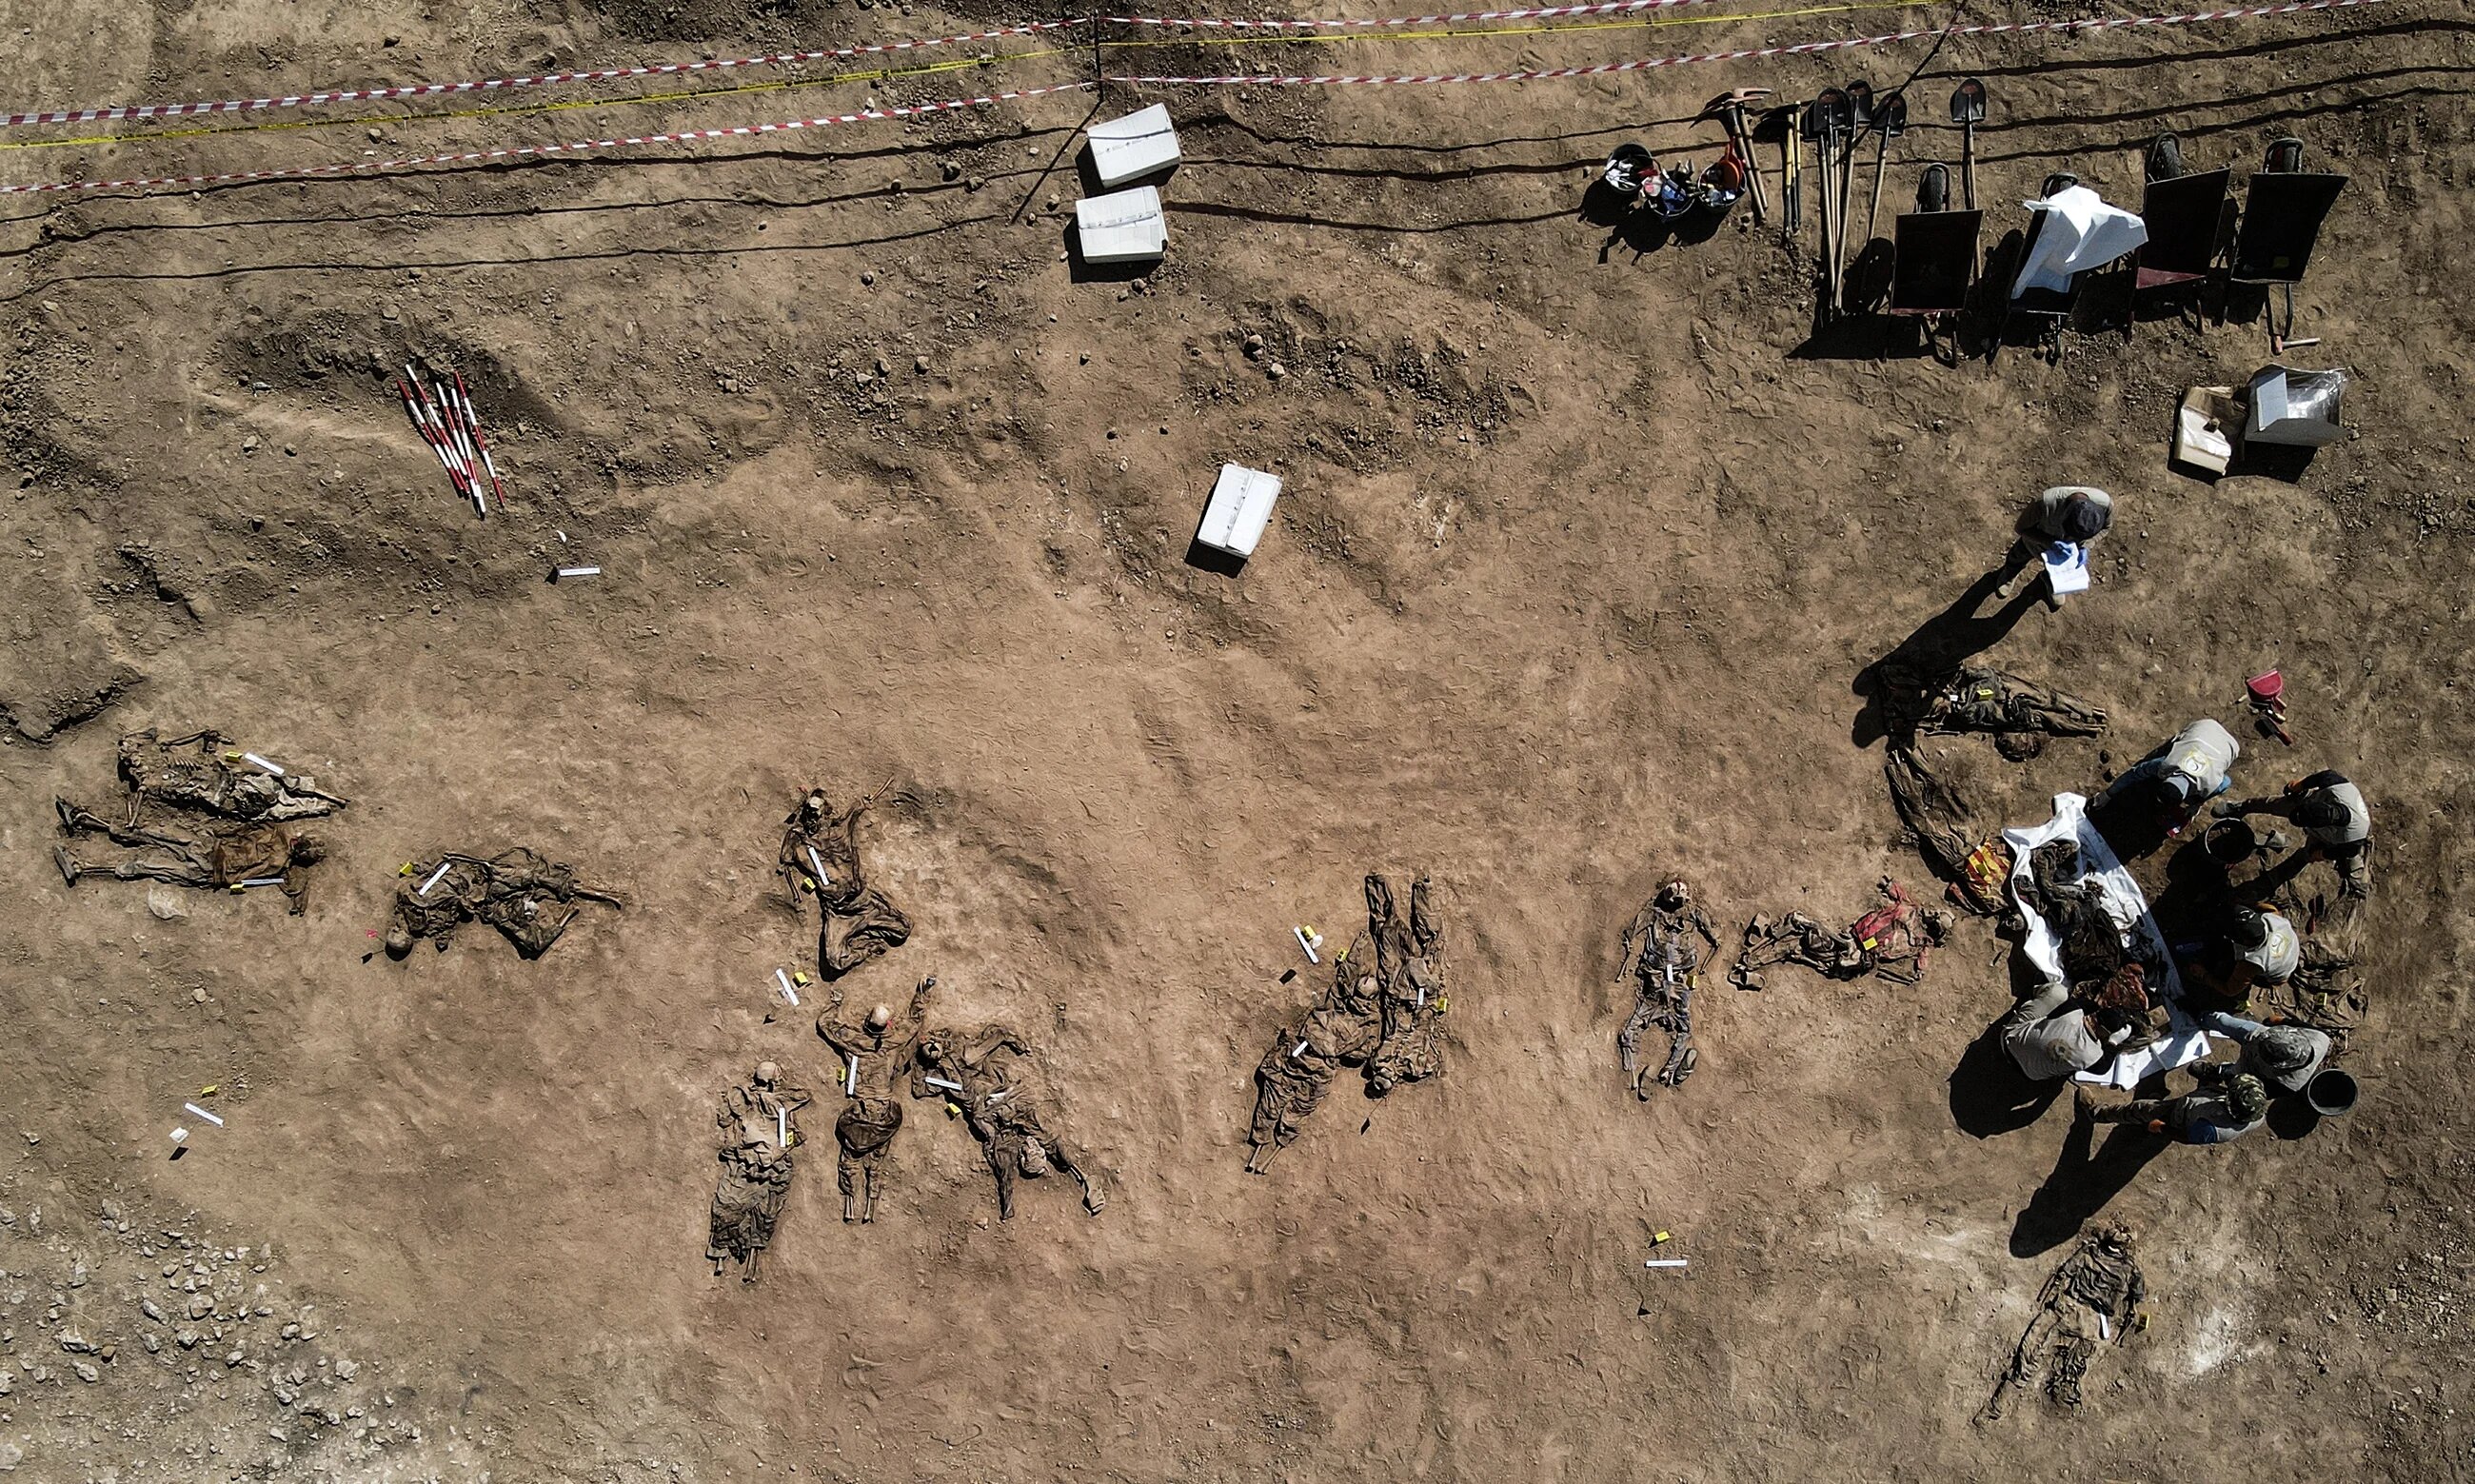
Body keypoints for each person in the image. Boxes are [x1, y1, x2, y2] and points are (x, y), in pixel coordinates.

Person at [912, 1026, 1104, 1219]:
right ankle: (939, 1047)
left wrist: (1007, 1205)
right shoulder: (1024, 1118)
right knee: (971, 1058)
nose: (1034, 1147)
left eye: (1031, 1153)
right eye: (1038, 1151)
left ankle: (931, 1051)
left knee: (996, 1138)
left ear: (1022, 1156)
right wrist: (1080, 1173)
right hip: (994, 1086)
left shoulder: (1005, 1144)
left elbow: (1005, 1173)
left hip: (972, 1093)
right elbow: (1051, 1143)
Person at [1981, 1223, 2147, 1419]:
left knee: (2030, 1357)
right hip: (2093, 1324)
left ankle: (1996, 1406)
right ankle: (2063, 1402)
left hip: (2066, 1309)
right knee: (2073, 1368)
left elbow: (2066, 1271)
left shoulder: (2088, 1252)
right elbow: (2138, 1294)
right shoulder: (2131, 1269)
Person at [54, 800, 324, 914]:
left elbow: (239, 830)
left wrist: (214, 834)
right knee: (149, 862)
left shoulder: (275, 831)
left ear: (298, 840)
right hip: (210, 867)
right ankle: (81, 863)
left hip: (207, 851)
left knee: (148, 835)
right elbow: (244, 877)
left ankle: (83, 827)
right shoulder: (278, 864)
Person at [817, 977, 935, 1223]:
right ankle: (871, 1207)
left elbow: (825, 1024)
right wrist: (923, 992)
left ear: (867, 1022)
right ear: (888, 1024)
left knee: (850, 1156)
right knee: (877, 1159)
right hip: (884, 1113)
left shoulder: (853, 1041)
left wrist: (835, 1003)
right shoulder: (892, 1042)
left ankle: (849, 1204)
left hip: (860, 1110)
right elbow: (914, 1020)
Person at [383, 847, 624, 959]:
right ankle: (576, 906)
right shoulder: (409, 904)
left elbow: (447, 896)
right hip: (483, 890)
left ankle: (589, 898)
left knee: (533, 879)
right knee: (530, 933)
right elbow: (431, 878)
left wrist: (445, 933)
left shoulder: (413, 906)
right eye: (400, 937)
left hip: (481, 882)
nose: (398, 930)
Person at [779, 786, 913, 978]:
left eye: (815, 810)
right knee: (835, 960)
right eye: (808, 809)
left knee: (904, 928)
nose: (811, 815)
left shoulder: (840, 830)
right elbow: (785, 865)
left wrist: (864, 803)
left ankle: (865, 928)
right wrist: (795, 890)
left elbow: (859, 807)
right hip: (838, 911)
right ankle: (869, 946)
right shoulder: (797, 841)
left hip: (864, 901)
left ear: (825, 811)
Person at [1730, 878, 1952, 991]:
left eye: (1936, 917)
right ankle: (1761, 949)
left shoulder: (1922, 943)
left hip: (1861, 956)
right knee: (1804, 933)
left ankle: (1752, 960)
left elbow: (1921, 964)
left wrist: (1918, 972)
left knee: (1800, 945)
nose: (1932, 913)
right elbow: (1900, 894)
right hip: (1854, 939)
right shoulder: (1912, 908)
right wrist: (1890, 885)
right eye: (1936, 913)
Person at [707, 1061, 812, 1282]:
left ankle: (720, 1255)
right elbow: (804, 1096)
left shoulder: (744, 1098)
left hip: (749, 1161)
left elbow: (724, 1118)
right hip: (768, 1163)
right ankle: (747, 1258)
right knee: (764, 1211)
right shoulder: (779, 1103)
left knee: (731, 1204)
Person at [110, 727, 348, 824]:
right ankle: (317, 804)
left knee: (266, 774)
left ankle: (318, 801)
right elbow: (142, 795)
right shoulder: (150, 780)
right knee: (270, 801)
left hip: (225, 775)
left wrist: (207, 736)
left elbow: (177, 743)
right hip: (222, 792)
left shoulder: (158, 763)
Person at [1614, 880, 1719, 1094]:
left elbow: (1630, 933)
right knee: (1679, 1027)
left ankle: (1664, 1072)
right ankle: (1657, 1073)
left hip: (1670, 982)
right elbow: (1716, 936)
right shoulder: (1659, 913)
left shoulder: (1686, 913)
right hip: (1665, 981)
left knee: (1675, 1027)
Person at [2217, 770, 2372, 900]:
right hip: (2310, 806)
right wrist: (2299, 786)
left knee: (2306, 857)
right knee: (2273, 804)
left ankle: (2272, 880)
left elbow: (2328, 853)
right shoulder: (2336, 785)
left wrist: (2319, 854)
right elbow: (2320, 777)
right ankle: (2240, 807)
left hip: (2328, 840)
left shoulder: (2352, 842)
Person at [1364, 872, 1449, 1096]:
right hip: (1414, 990)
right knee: (1424, 939)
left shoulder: (1389, 1059)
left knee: (1388, 932)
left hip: (1399, 990)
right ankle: (1421, 888)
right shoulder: (1415, 1065)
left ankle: (1382, 885)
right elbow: (1431, 1055)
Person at [2091, 719, 2241, 835]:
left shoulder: (2210, 784)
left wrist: (2196, 805)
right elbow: (2135, 773)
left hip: (2229, 745)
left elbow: (2226, 782)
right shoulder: (2165, 764)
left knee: (2174, 747)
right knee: (2160, 753)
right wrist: (2107, 794)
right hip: (2204, 727)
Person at [2074, 1066, 2269, 1144]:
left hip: (2180, 1118)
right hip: (2192, 1106)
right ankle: (2153, 1114)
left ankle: (2096, 1113)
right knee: (2157, 1106)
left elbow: (2186, 1137)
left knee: (2139, 1109)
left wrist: (2162, 1128)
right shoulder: (2256, 1111)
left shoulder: (2209, 1129)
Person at [1992, 486, 2112, 607]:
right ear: (2064, 515)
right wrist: (2050, 542)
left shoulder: (2105, 504)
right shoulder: (2045, 504)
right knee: (2019, 555)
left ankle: (2052, 581)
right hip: (2034, 543)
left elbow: (2106, 527)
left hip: (2065, 557)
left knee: (2058, 570)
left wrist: (2086, 546)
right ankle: (2010, 572)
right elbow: (2021, 528)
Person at [2000, 978, 2136, 1082]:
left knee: (2058, 992)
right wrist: (2113, 1043)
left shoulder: (2072, 1012)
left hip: (2009, 1041)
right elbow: (2103, 1068)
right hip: (2029, 1074)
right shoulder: (2093, 1057)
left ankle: (2035, 990)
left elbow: (2083, 1004)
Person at [2199, 1013, 2331, 1096]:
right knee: (2222, 1021)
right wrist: (2275, 1021)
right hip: (2256, 1033)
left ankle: (2217, 1071)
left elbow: (2259, 1090)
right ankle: (2201, 1017)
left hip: (2252, 1067)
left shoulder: (2289, 1084)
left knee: (2231, 1073)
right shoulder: (2320, 1037)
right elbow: (2289, 1022)